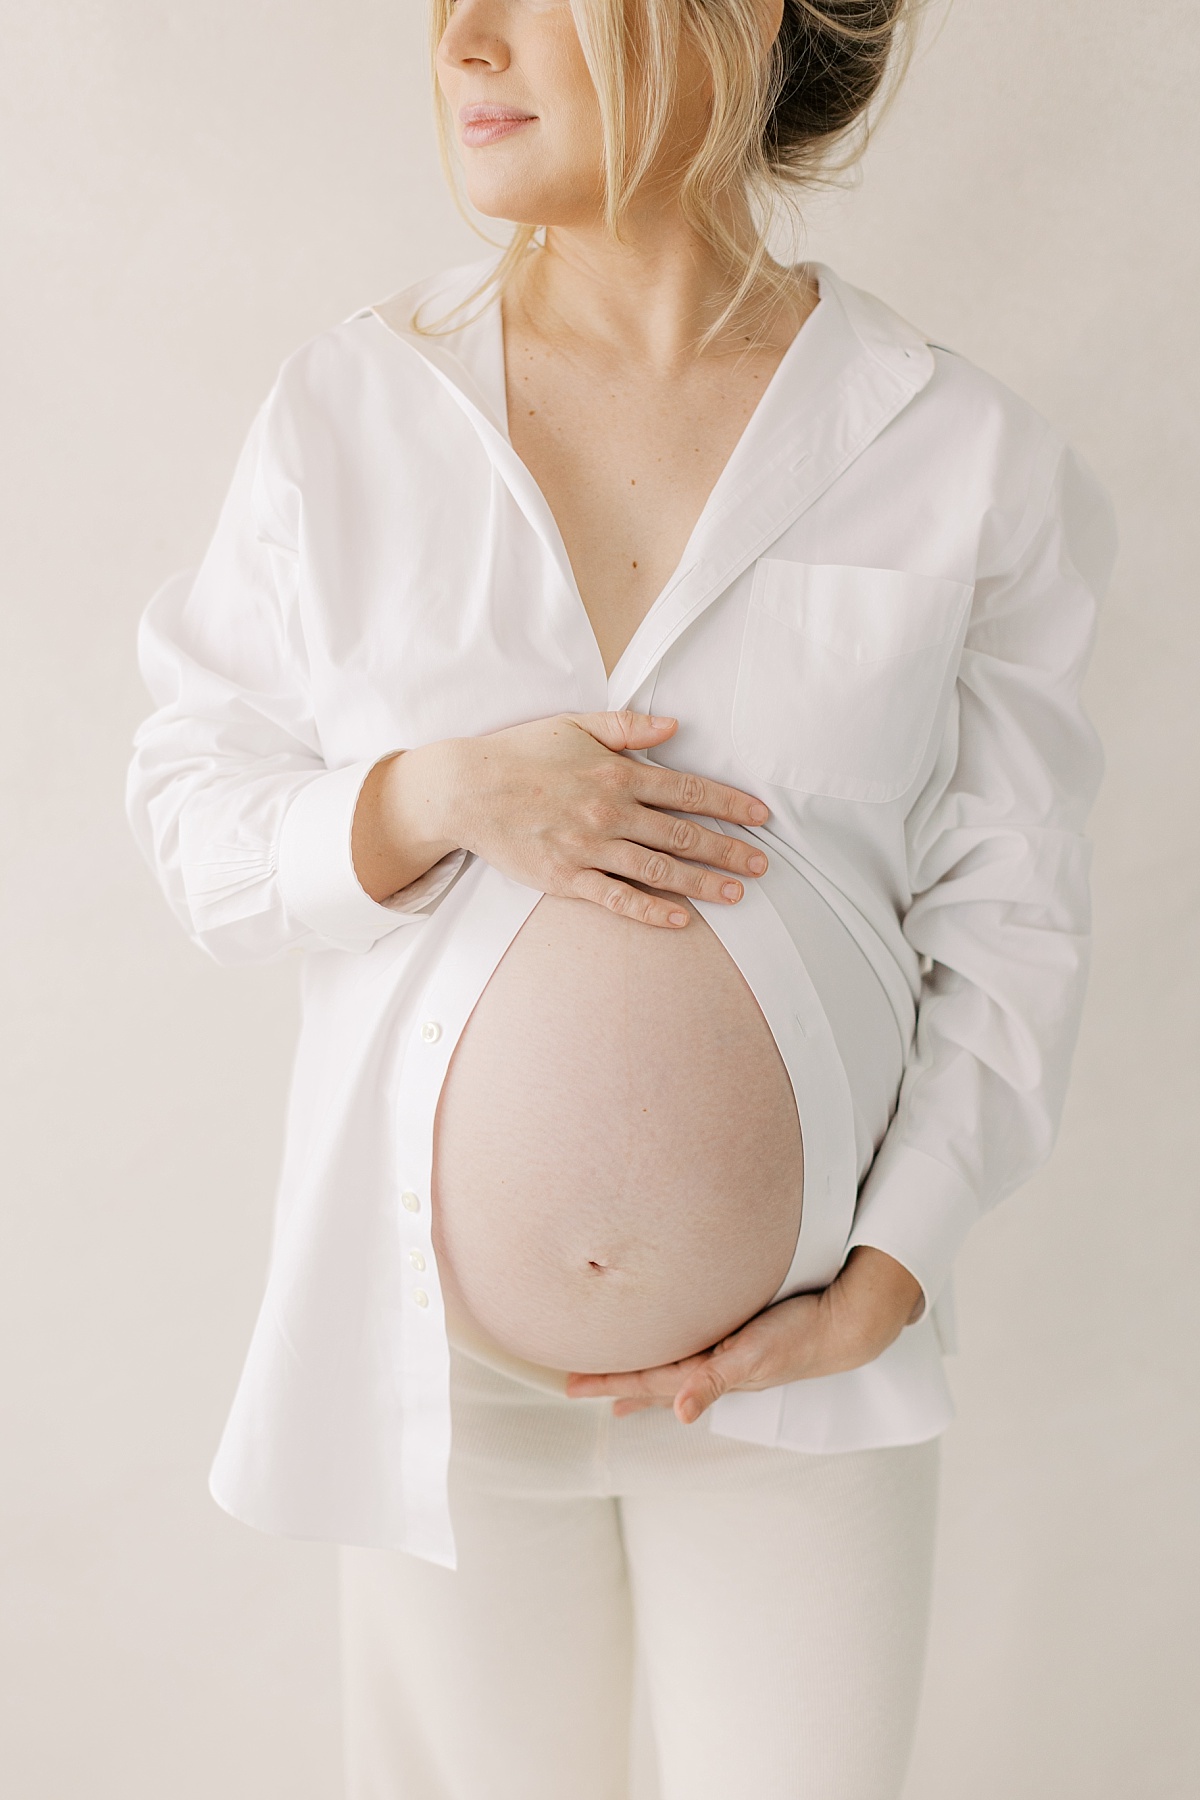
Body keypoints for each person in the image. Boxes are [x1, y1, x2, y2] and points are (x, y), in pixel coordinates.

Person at [126, 0, 1116, 1794]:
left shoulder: (960, 454)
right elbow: (193, 810)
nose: (463, 38)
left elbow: (1018, 911)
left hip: (806, 1391)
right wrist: (433, 795)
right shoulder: (356, 412)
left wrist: (893, 1273)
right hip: (440, 1394)